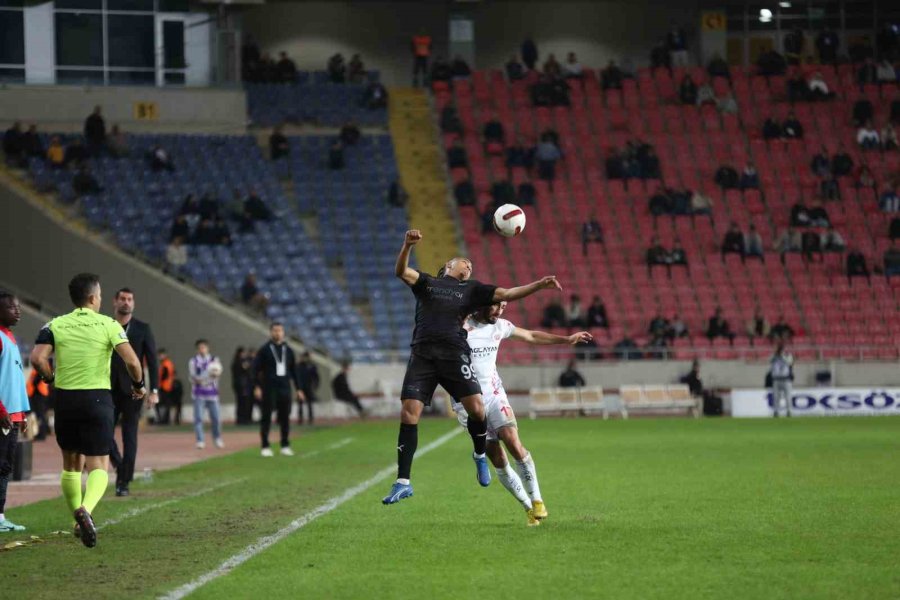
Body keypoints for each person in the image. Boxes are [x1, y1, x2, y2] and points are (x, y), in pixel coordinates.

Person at [383, 230, 562, 505]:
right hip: (422, 353)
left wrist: (538, 284)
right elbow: (401, 271)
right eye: (464, 262)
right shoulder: (427, 283)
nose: (469, 265)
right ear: (448, 267)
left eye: (471, 265)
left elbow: (508, 294)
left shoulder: (473, 289)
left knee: (477, 409)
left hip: (453, 353)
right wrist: (407, 245)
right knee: (408, 412)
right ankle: (403, 482)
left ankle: (479, 455)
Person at [30, 273, 146, 548]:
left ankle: (76, 518)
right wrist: (139, 386)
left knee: (71, 464)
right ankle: (86, 511)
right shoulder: (109, 324)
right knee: (99, 464)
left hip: (65, 400)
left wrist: (49, 378)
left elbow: (37, 358)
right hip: (97, 399)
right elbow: (132, 361)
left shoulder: (55, 324)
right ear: (94, 298)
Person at [451, 301, 592, 525]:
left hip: (495, 395)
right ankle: (527, 507)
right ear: (482, 304)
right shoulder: (459, 327)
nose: (499, 311)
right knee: (497, 458)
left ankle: (537, 500)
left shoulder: (500, 326)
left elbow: (531, 336)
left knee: (513, 441)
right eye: (495, 306)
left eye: (503, 307)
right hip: (466, 402)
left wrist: (566, 339)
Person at [107, 288, 159, 497]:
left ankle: (124, 482)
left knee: (130, 435)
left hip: (134, 390)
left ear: (133, 303)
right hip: (107, 388)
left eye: (129, 299)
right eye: (122, 299)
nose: (126, 303)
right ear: (115, 302)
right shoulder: (105, 325)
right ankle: (120, 466)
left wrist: (153, 390)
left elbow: (153, 361)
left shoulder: (142, 329)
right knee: (103, 433)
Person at [0, 291, 30, 533]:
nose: (17, 311)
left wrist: (23, 413)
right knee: (1, 466)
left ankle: (0, 516)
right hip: (2, 415)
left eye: (18, 307)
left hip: (13, 415)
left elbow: (13, 380)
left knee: (5, 466)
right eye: (11, 307)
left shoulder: (10, 337)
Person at [252, 323, 304, 457]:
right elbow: (255, 370)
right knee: (267, 417)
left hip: (285, 387)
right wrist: (257, 386)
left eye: (280, 330)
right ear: (270, 332)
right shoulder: (264, 350)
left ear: (283, 332)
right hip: (269, 387)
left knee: (285, 417)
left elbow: (294, 371)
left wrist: (299, 389)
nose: (277, 333)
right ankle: (265, 446)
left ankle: (285, 445)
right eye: (275, 331)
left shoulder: (289, 350)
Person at [188, 339, 223, 449]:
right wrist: (207, 376)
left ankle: (217, 438)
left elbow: (217, 374)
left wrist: (211, 376)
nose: (202, 350)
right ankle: (200, 440)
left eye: (204, 347)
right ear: (197, 349)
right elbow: (193, 377)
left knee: (216, 418)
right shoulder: (193, 361)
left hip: (212, 394)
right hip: (199, 393)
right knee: (198, 418)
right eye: (200, 348)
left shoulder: (214, 360)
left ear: (208, 348)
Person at [769, 343, 794, 418]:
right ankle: (776, 412)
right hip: (776, 379)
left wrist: (782, 355)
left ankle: (789, 411)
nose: (780, 351)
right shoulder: (774, 356)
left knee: (788, 396)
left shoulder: (788, 355)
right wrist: (775, 355)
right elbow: (769, 360)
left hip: (786, 379)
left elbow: (789, 363)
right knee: (776, 397)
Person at [231, 347, 254, 425]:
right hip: (242, 385)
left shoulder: (239, 362)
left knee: (244, 402)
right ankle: (241, 419)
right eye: (242, 353)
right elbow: (245, 369)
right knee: (242, 402)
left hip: (242, 385)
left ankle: (244, 418)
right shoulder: (238, 362)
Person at [295, 351, 319, 425]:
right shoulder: (298, 366)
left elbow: (316, 377)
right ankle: (300, 419)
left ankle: (310, 419)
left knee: (309, 403)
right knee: (300, 404)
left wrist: (315, 386)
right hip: (300, 387)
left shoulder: (312, 366)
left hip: (308, 387)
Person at [157, 348, 175, 425]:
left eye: (161, 355)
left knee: (164, 404)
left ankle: (164, 420)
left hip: (165, 386)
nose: (160, 357)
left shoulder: (166, 364)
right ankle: (165, 420)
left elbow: (165, 375)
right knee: (166, 404)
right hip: (167, 386)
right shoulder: (167, 363)